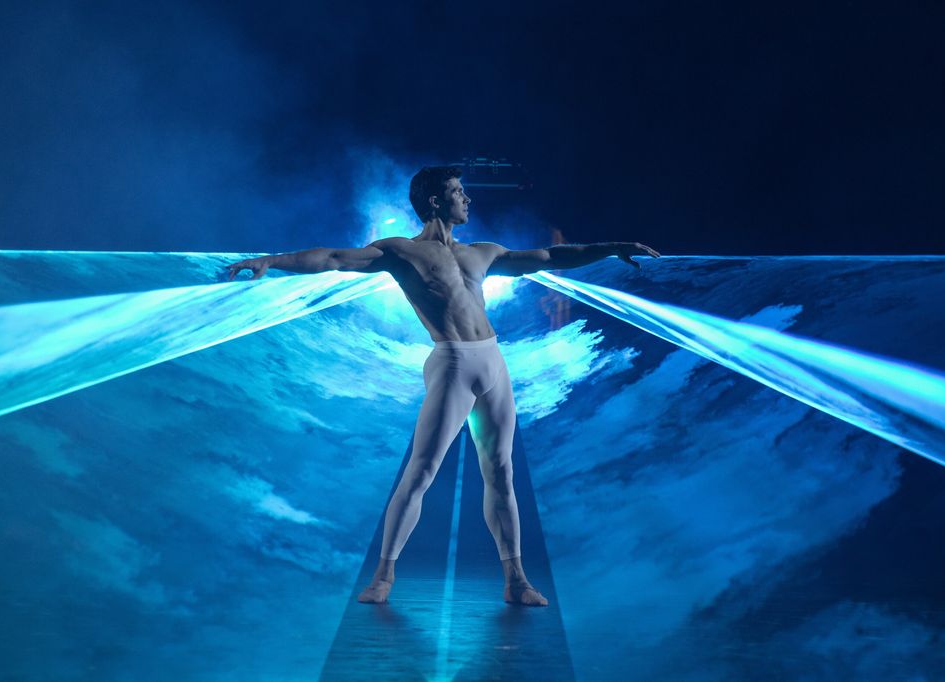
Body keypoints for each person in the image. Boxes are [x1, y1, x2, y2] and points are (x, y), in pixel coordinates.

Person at [225, 166, 660, 607]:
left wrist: (611, 248)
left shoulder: (482, 252)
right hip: (451, 361)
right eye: (457, 192)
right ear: (435, 201)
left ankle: (517, 581)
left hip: (492, 361)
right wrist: (271, 261)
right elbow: (333, 258)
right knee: (421, 471)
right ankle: (383, 576)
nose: (467, 199)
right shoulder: (402, 252)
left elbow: (550, 257)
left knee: (501, 472)